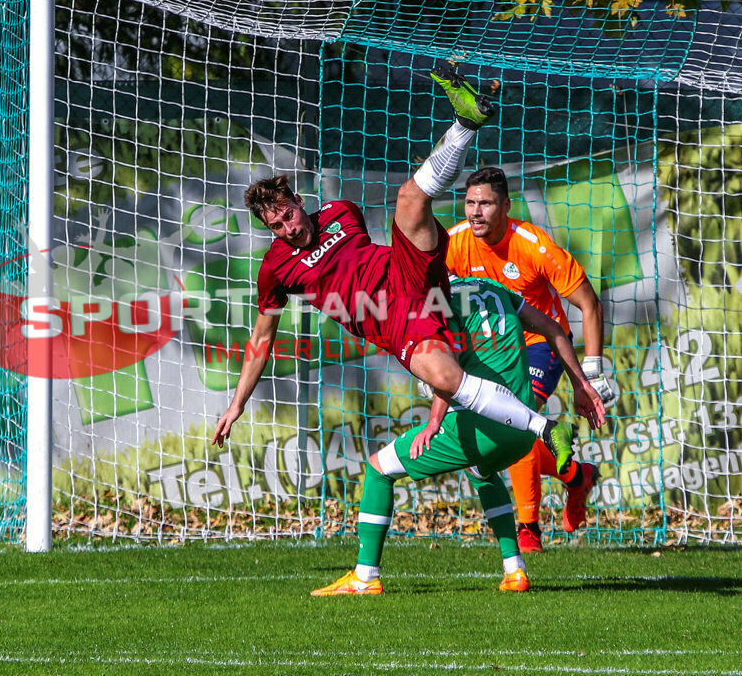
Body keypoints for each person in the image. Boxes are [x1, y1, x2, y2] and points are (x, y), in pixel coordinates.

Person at [211, 63, 602, 475]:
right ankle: (547, 430)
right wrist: (237, 404)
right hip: (391, 319)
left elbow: (365, 253)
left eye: (289, 214)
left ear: (298, 201)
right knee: (445, 379)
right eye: (277, 226)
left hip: (405, 273)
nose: (289, 228)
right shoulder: (275, 268)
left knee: (410, 199)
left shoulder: (340, 212)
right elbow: (261, 340)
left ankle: (466, 122)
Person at [310, 276, 607, 595]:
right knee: (481, 471)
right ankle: (515, 570)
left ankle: (365, 576)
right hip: (525, 427)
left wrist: (433, 422)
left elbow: (446, 374)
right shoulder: (495, 288)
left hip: (485, 428)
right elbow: (553, 328)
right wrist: (581, 384)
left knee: (378, 468)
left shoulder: (439, 301)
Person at [445, 166, 616, 551]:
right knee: (498, 432)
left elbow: (589, 303)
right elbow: (431, 299)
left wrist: (592, 372)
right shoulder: (453, 243)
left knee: (515, 419)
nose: (475, 212)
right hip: (490, 349)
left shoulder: (533, 244)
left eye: (486, 203)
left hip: (542, 342)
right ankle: (576, 477)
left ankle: (528, 529)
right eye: (470, 203)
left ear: (506, 206)